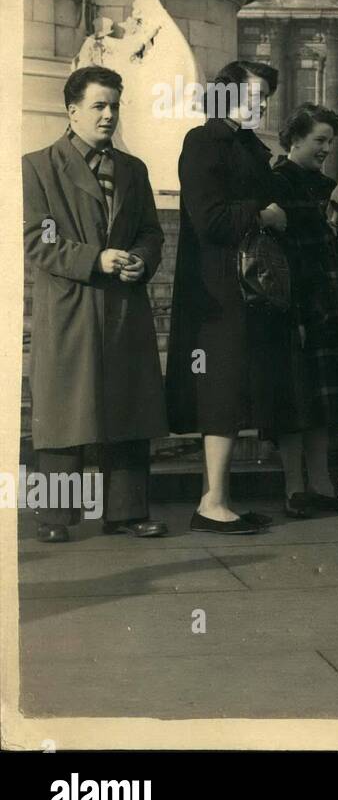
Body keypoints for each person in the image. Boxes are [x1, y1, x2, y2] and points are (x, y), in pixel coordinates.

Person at [22, 66, 170, 543]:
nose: (108, 115)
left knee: (129, 405)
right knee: (64, 411)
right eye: (98, 106)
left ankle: (126, 512)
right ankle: (54, 518)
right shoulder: (38, 166)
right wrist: (95, 259)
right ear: (72, 111)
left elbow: (151, 231)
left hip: (124, 305)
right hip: (70, 304)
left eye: (114, 106)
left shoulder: (133, 168)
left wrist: (141, 261)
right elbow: (36, 239)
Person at [166, 60, 295, 534]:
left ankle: (220, 498)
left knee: (236, 389)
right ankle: (212, 502)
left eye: (264, 98)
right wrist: (264, 216)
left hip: (246, 286)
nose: (261, 106)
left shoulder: (247, 146)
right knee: (221, 391)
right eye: (252, 97)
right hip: (217, 290)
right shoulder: (203, 143)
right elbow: (209, 220)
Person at [271, 104, 338, 518]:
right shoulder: (277, 182)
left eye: (330, 142)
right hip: (296, 303)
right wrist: (326, 213)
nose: (326, 149)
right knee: (296, 401)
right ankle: (294, 488)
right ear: (295, 140)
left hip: (331, 305)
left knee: (322, 404)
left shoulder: (330, 186)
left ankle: (320, 483)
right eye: (319, 140)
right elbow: (282, 241)